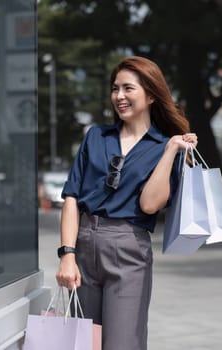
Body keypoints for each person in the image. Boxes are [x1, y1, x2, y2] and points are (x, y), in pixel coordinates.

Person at [55, 56, 198, 350]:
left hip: (129, 249)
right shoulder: (96, 136)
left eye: (128, 88)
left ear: (151, 94)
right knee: (84, 344)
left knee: (123, 344)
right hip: (83, 245)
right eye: (115, 88)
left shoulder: (165, 146)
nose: (119, 96)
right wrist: (67, 254)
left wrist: (171, 149)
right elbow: (71, 197)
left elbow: (149, 205)